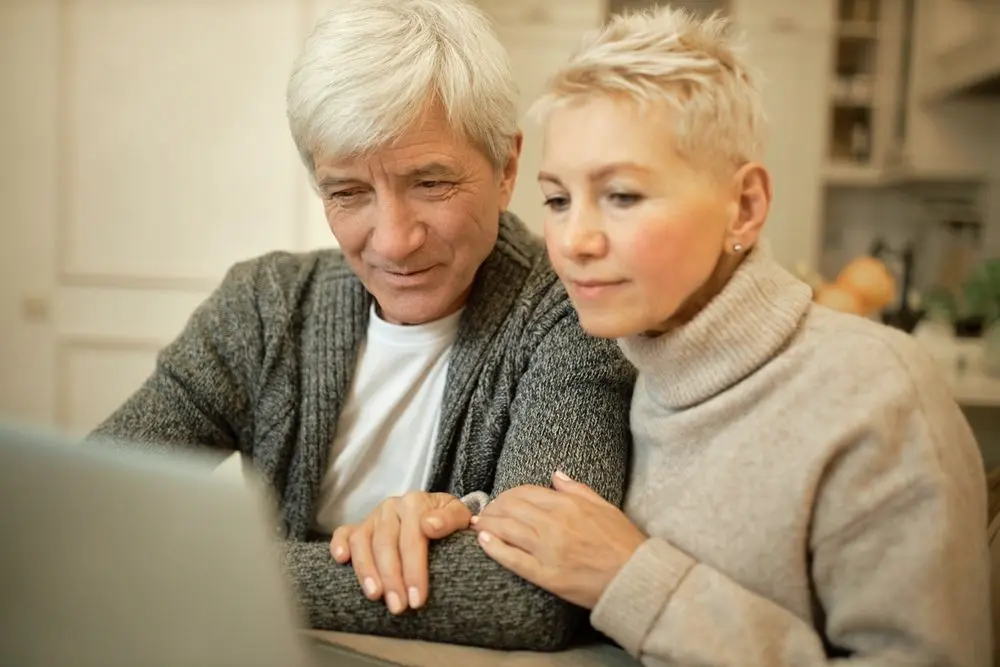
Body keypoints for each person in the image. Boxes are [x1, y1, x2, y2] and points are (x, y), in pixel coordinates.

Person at [88, 0, 635, 651]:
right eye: (347, 192)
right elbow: (92, 505)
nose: (395, 242)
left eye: (431, 182)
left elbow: (530, 592)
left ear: (507, 167)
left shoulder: (574, 313)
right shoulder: (261, 305)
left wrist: (218, 571)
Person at [470, 7, 992, 666]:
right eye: (557, 199)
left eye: (623, 195)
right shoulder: (618, 357)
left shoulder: (874, 392)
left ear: (743, 205)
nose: (574, 241)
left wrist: (635, 579)